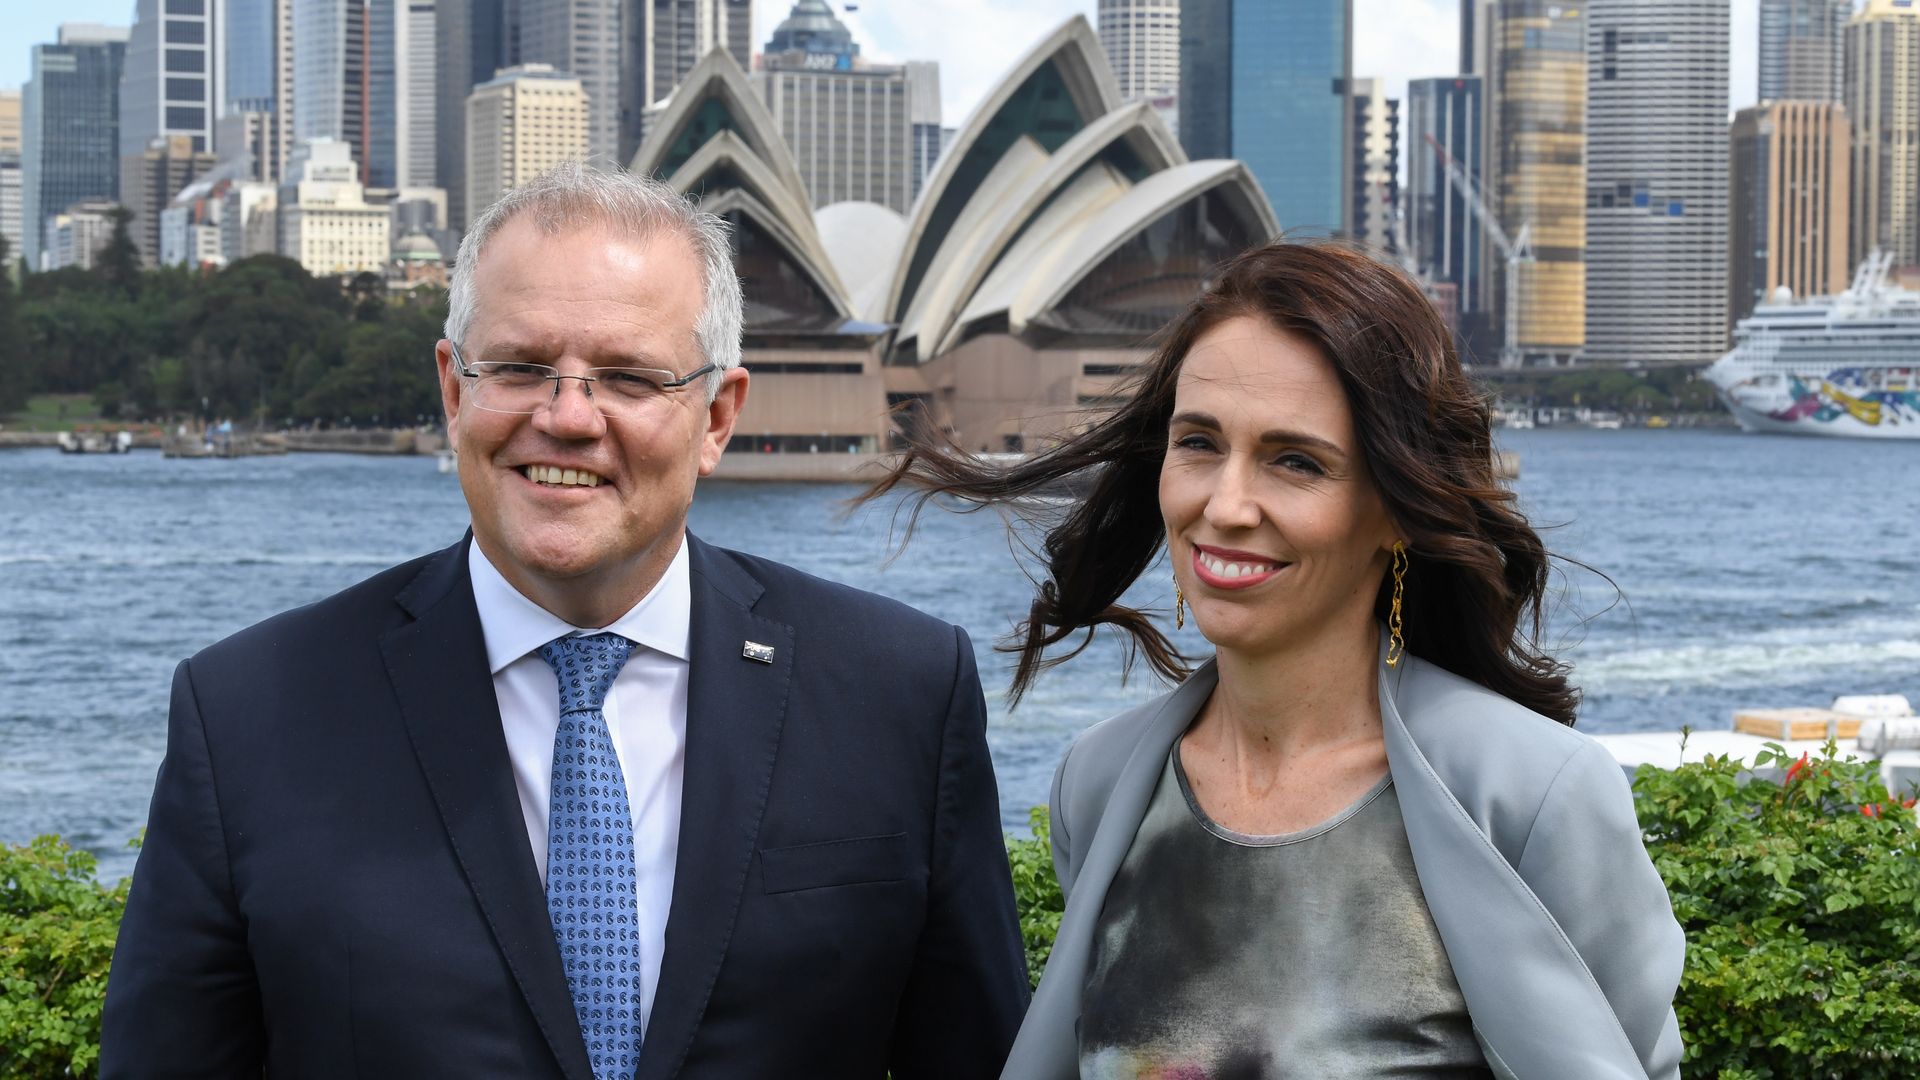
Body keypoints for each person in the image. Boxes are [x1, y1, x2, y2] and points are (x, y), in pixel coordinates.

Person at [101, 164, 1029, 1079]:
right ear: (455, 389)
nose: (568, 417)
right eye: (521, 367)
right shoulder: (250, 714)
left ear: (717, 417)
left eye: (627, 378)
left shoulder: (897, 693)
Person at [865, 241, 1684, 1079]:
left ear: (1397, 507)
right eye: (1199, 444)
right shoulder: (1104, 783)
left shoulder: (1534, 795)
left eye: (1296, 461)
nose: (1225, 505)